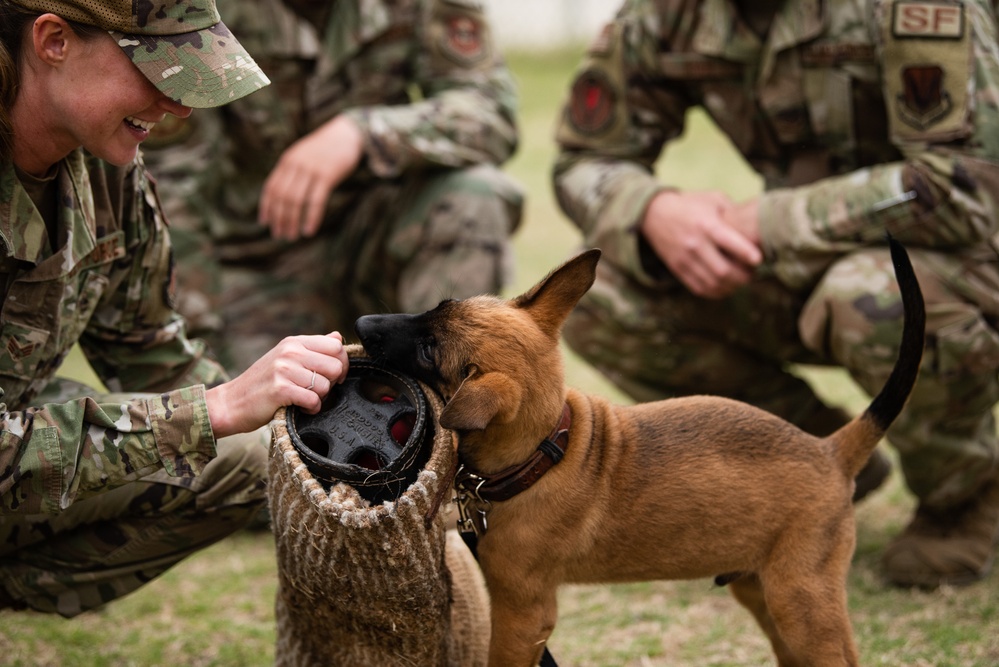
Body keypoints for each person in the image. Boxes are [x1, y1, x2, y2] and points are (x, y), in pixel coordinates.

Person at [552, 0, 999, 589]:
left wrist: (770, 221)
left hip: (962, 259)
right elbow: (585, 158)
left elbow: (967, 184)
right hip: (802, 259)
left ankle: (964, 496)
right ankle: (806, 464)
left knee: (868, 294)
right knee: (602, 294)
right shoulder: (667, 13)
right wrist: (652, 209)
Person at [0, 0, 350, 617]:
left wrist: (329, 454)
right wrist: (212, 409)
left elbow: (152, 358)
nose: (179, 105)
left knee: (254, 459)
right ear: (53, 41)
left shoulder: (107, 171)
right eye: (157, 69)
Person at [141, 0, 524, 376]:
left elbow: (491, 109)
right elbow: (172, 187)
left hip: (373, 240)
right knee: (263, 427)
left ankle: (439, 398)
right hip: (254, 264)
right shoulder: (203, 6)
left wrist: (366, 132)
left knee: (473, 194)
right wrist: (198, 342)